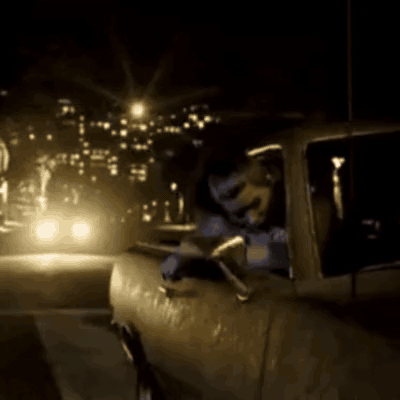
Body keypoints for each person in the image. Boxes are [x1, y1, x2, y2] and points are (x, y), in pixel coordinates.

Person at [158, 138, 334, 282]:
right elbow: (196, 243)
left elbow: (297, 257)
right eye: (240, 214)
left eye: (255, 204)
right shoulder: (227, 224)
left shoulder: (313, 208)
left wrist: (243, 255)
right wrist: (186, 254)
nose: (253, 219)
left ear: (271, 177)